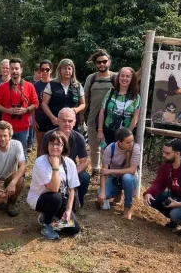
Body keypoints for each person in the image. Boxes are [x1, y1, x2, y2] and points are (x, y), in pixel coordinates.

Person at [143, 139, 181, 240]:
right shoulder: (166, 165)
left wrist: (180, 204)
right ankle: (174, 221)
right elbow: (159, 183)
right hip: (175, 195)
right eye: (163, 152)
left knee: (175, 213)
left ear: (177, 154)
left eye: (167, 153)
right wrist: (149, 193)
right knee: (152, 198)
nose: (164, 155)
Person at [28, 130, 81, 240]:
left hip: (62, 200)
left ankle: (53, 224)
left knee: (74, 228)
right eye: (51, 143)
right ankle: (46, 224)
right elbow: (54, 188)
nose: (54, 147)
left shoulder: (69, 163)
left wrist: (68, 210)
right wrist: (55, 166)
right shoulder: (40, 162)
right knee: (55, 196)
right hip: (40, 199)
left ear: (64, 146)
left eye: (58, 144)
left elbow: (72, 189)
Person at [41, 108, 90, 208]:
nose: (67, 123)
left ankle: (78, 201)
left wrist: (71, 174)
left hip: (71, 170)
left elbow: (84, 162)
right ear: (58, 121)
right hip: (52, 170)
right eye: (64, 120)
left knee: (85, 177)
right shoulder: (49, 136)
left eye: (70, 121)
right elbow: (43, 159)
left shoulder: (79, 138)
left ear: (75, 122)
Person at [0, 58, 39, 158]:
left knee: (21, 154)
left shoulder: (29, 86)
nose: (14, 71)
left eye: (16, 68)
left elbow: (36, 103)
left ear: (21, 70)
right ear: (9, 70)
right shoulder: (3, 86)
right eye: (12, 68)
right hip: (6, 128)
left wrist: (25, 110)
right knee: (6, 154)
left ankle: (22, 174)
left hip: (22, 127)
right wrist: (7, 110)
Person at [84, 49, 117, 177]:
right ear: (95, 64)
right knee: (93, 146)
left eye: (104, 61)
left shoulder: (116, 77)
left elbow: (133, 79)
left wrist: (144, 67)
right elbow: (85, 98)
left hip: (110, 120)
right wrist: (81, 115)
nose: (102, 64)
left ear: (109, 62)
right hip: (92, 118)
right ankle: (95, 168)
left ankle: (106, 170)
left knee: (107, 148)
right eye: (99, 62)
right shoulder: (91, 78)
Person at [0, 121, 26, 217]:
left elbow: (23, 166)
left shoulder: (17, 145)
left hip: (10, 176)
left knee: (20, 179)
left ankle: (12, 202)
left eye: (5, 136)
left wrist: (13, 183)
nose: (2, 139)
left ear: (10, 136)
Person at [97, 128, 141, 220]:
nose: (131, 144)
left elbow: (132, 170)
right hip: (115, 179)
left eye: (132, 141)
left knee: (127, 178)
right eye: (128, 142)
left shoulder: (136, 148)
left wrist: (111, 171)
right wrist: (102, 193)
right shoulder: (110, 148)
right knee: (100, 194)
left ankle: (127, 207)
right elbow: (104, 171)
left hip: (130, 179)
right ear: (119, 142)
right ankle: (117, 193)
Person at [97, 67, 141, 145]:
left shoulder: (136, 97)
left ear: (132, 79)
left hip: (124, 135)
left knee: (122, 157)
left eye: (127, 76)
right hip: (107, 131)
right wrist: (100, 131)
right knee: (107, 156)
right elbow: (102, 111)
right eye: (122, 76)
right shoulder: (111, 92)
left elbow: (135, 117)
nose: (124, 78)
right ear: (118, 77)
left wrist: (128, 134)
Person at [41, 59, 85, 133]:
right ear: (59, 70)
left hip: (72, 125)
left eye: (69, 68)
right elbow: (44, 104)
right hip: (55, 123)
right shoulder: (51, 85)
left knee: (71, 144)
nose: (67, 71)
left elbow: (83, 104)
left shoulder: (78, 86)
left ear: (72, 71)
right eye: (64, 68)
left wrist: (76, 110)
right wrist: (52, 118)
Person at [34, 60, 52, 156]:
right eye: (42, 69)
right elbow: (33, 104)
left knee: (53, 145)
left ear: (51, 70)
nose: (45, 71)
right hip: (40, 118)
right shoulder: (36, 85)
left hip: (53, 119)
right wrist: (33, 120)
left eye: (47, 69)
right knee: (40, 146)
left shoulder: (55, 84)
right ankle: (39, 169)